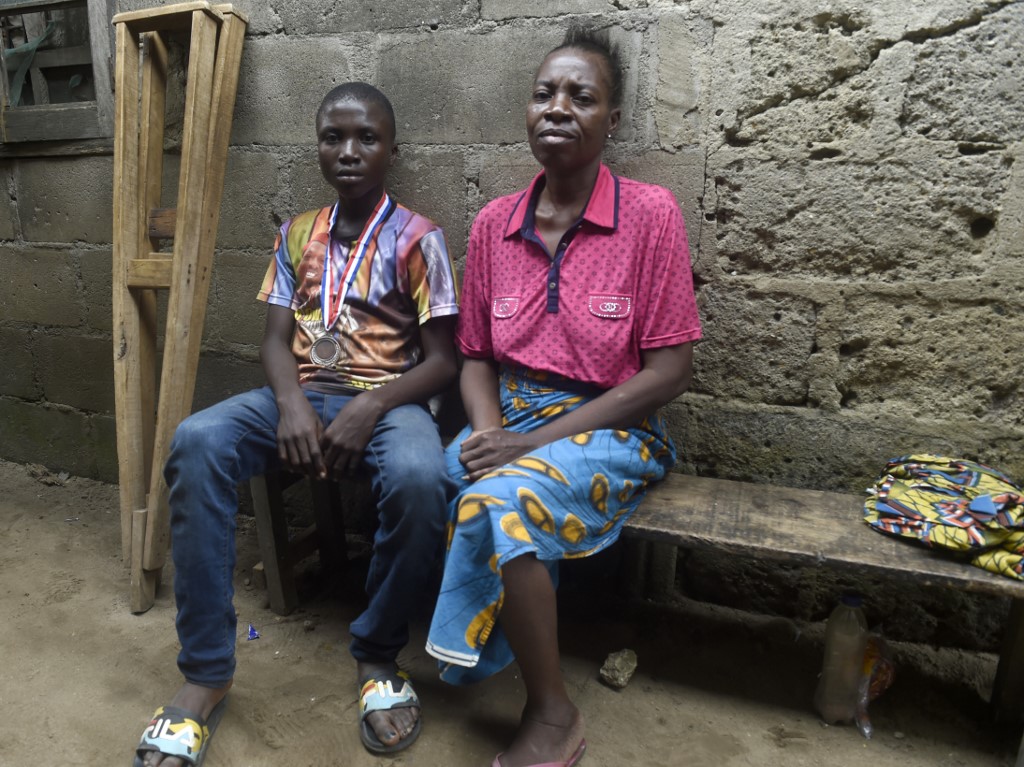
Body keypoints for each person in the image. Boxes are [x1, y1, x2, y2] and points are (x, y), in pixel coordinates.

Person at [134, 82, 459, 766]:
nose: (349, 151)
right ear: (317, 148)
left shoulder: (420, 239)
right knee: (197, 440)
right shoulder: (297, 233)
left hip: (390, 403)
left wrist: (373, 405)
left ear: (391, 150)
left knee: (420, 475)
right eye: (333, 137)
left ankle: (378, 655)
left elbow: (444, 362)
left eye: (367, 137)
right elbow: (276, 341)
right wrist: (288, 403)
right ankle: (206, 673)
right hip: (304, 393)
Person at [425, 27, 702, 767]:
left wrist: (523, 449)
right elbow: (476, 356)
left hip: (614, 425)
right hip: (512, 413)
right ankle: (497, 643)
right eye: (544, 93)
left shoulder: (650, 215)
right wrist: (491, 434)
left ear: (612, 121)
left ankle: (553, 712)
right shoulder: (495, 224)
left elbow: (669, 371)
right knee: (444, 472)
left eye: (582, 97)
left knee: (502, 500)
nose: (558, 107)